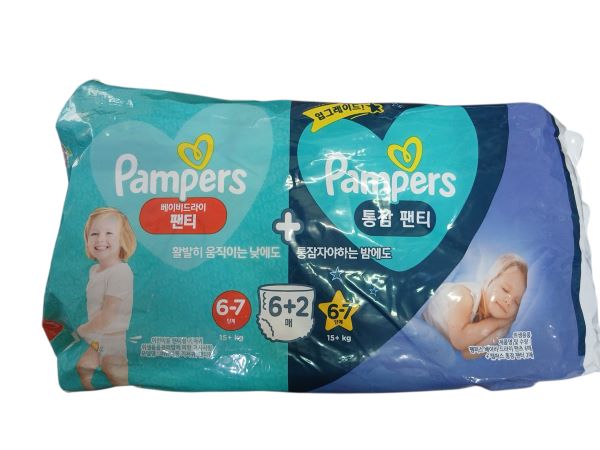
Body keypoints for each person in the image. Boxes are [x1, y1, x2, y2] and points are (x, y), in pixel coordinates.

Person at [422, 253, 528, 359]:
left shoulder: (492, 319)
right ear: (490, 280)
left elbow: (469, 353)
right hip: (423, 312)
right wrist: (497, 323)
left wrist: (503, 329)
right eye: (505, 289)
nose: (508, 301)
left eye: (517, 302)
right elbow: (459, 340)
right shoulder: (465, 296)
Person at [75, 207, 136, 389]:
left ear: (123, 240)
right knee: (83, 366)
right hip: (97, 337)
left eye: (109, 233)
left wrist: (83, 329)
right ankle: (89, 390)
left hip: (112, 340)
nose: (100, 239)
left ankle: (125, 393)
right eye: (94, 234)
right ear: (87, 240)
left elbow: (108, 315)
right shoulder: (94, 270)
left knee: (115, 373)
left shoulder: (120, 272)